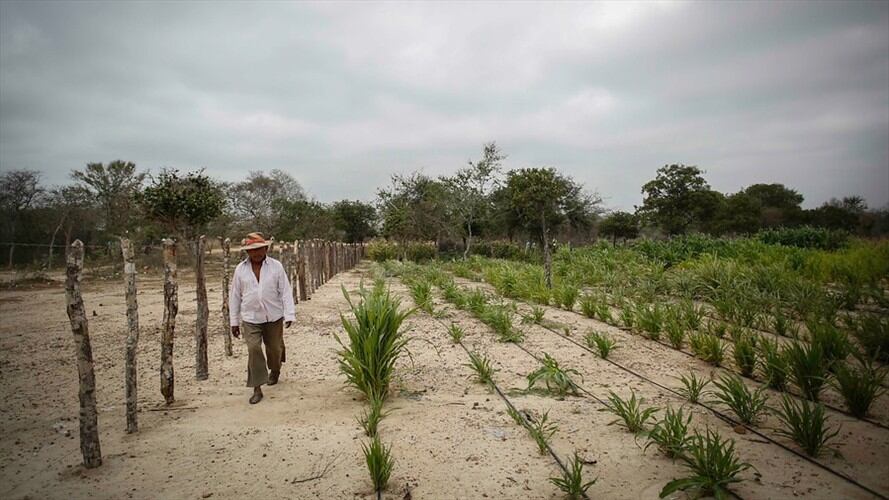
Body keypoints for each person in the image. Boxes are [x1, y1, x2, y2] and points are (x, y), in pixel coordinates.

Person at [228, 232, 295, 404]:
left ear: (266, 248)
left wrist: (289, 314)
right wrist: (234, 321)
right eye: (252, 250)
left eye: (259, 249)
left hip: (274, 316)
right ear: (247, 252)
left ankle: (275, 369)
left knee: (274, 348)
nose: (256, 253)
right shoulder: (240, 270)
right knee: (253, 349)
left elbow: (285, 291)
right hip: (250, 317)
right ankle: (257, 387)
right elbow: (235, 296)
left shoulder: (276, 267)